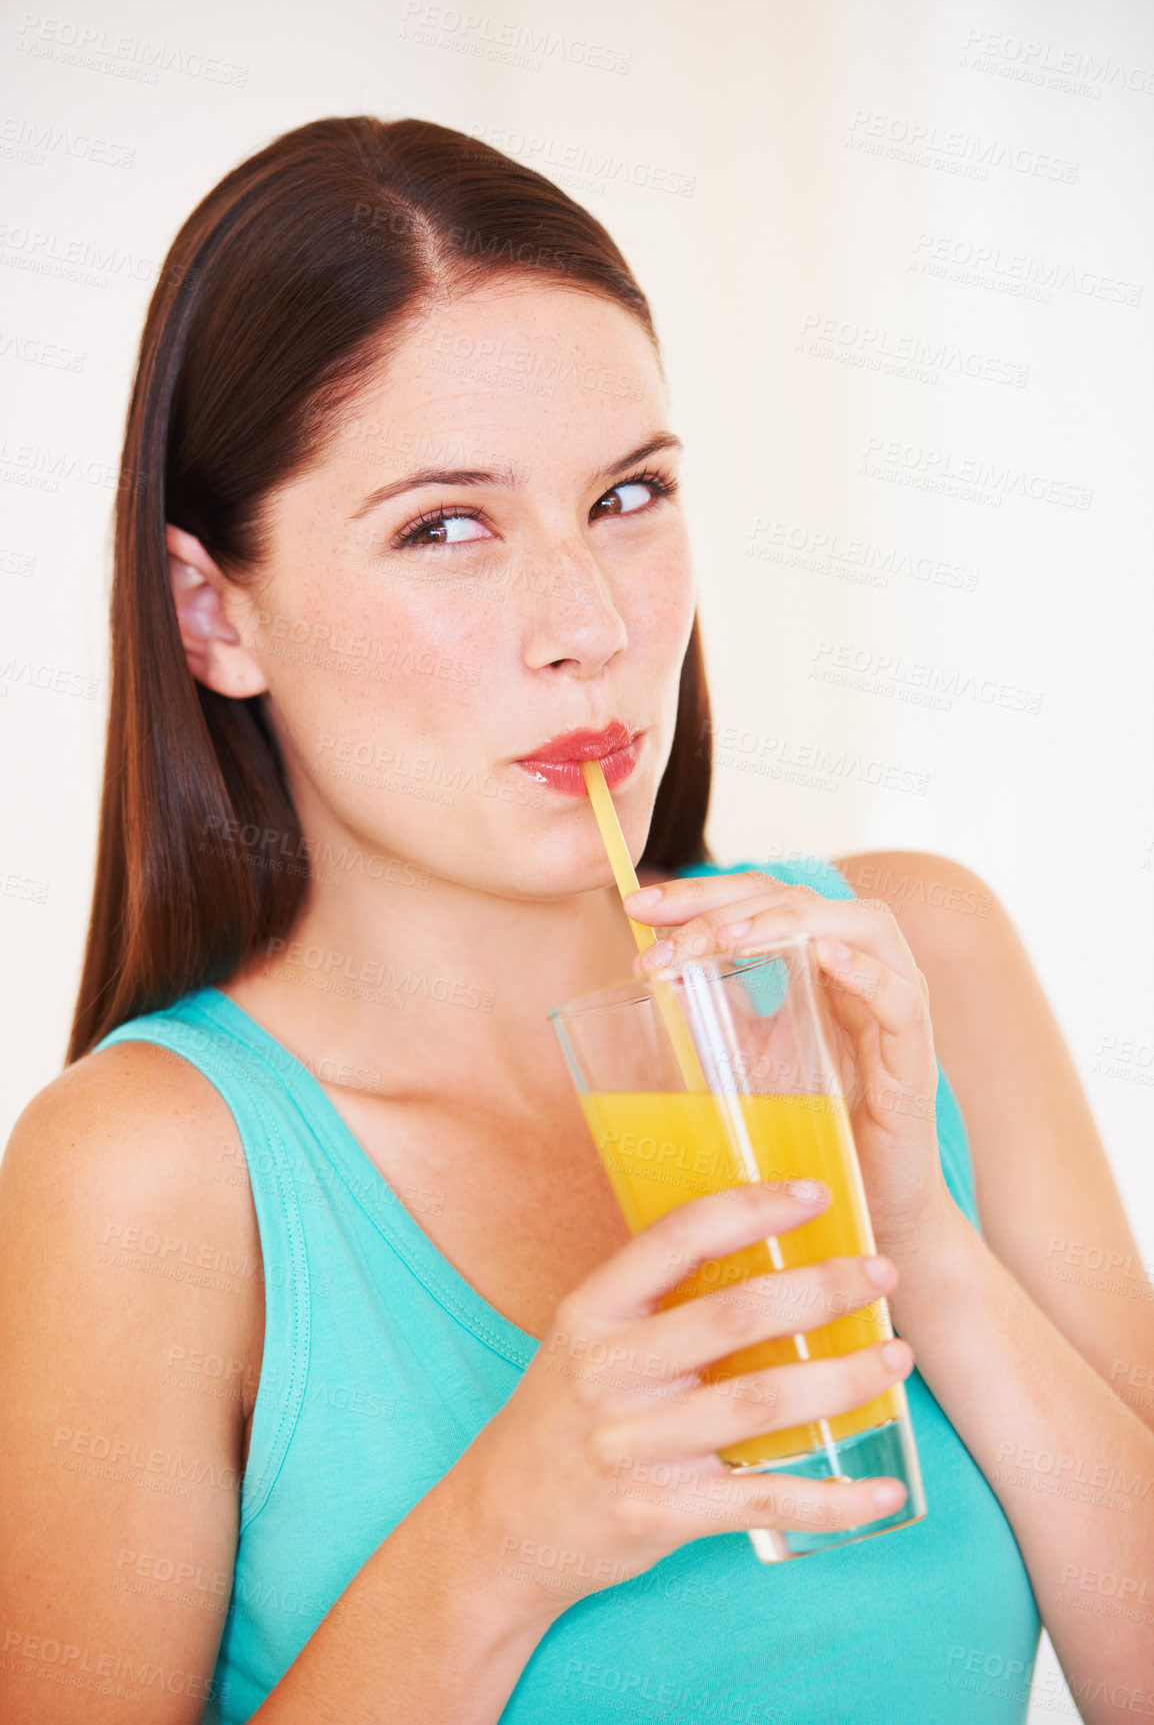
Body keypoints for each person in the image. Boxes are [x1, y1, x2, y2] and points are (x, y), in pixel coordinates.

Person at [1, 116, 1151, 1725]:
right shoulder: (149, 1173)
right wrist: (506, 1536)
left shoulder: (913, 962)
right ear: (216, 613)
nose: (590, 626)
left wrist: (925, 1247)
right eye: (445, 528)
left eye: (627, 495)